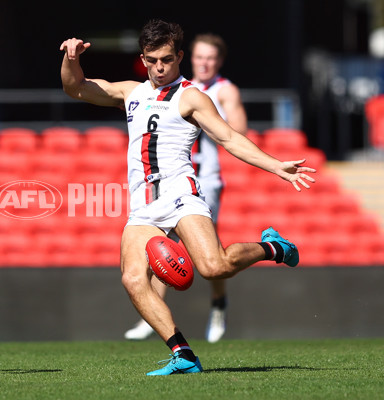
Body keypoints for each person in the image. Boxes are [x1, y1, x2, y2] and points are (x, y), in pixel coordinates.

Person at [60, 19, 315, 375]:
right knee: (133, 279)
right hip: (144, 204)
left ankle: (273, 247)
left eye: (166, 59)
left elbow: (228, 138)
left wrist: (276, 166)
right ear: (143, 58)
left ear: (179, 56)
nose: (159, 67)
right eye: (151, 60)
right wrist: (71, 59)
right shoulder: (132, 92)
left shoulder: (191, 97)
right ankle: (183, 354)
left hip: (181, 194)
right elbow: (76, 88)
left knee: (214, 267)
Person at [124, 33, 247, 344]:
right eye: (200, 57)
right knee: (160, 248)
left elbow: (237, 132)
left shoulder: (220, 90)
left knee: (212, 262)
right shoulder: (170, 89)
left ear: (218, 62)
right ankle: (153, 316)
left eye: (210, 58)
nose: (204, 63)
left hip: (206, 178)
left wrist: (206, 120)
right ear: (189, 58)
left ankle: (218, 303)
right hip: (165, 182)